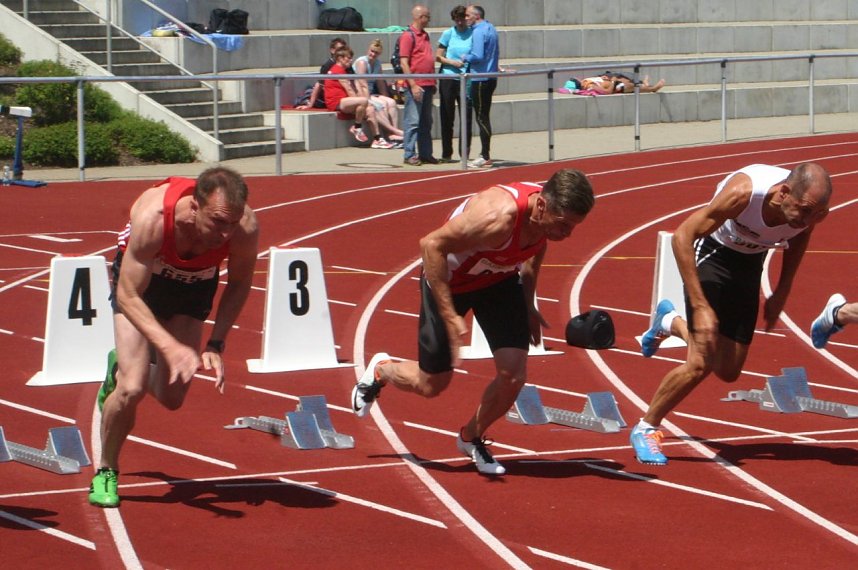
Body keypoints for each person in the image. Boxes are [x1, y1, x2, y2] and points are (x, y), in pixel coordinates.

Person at [351, 169, 595, 475]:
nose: (568, 234)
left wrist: (528, 304)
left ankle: (471, 436)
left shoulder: (545, 218)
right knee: (431, 384)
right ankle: (382, 370)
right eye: (564, 225)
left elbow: (536, 251)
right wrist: (450, 314)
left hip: (498, 281)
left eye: (574, 226)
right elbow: (430, 246)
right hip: (448, 282)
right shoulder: (497, 216)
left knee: (514, 374)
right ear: (542, 206)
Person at [633, 163, 832, 466]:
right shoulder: (743, 194)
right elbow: (682, 237)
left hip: (749, 265)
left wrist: (782, 290)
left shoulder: (808, 209)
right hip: (712, 255)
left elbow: (799, 237)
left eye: (815, 215)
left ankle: (670, 322)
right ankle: (646, 427)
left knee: (728, 370)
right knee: (701, 362)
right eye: (804, 210)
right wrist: (700, 306)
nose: (806, 220)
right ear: (784, 192)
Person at [89, 167, 260, 507]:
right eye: (217, 221)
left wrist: (216, 343)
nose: (225, 233)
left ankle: (122, 365)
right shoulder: (154, 216)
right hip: (142, 288)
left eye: (232, 222)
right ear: (194, 206)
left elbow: (240, 282)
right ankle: (106, 470)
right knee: (132, 387)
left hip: (193, 289)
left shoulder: (243, 227)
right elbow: (127, 296)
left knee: (172, 397)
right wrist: (169, 348)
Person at [324, 46, 394, 148]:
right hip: (336, 103)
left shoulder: (344, 71)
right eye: (348, 58)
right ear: (340, 58)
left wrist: (364, 103)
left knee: (370, 109)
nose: (351, 60)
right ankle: (357, 126)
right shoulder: (337, 70)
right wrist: (362, 101)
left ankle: (377, 139)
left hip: (345, 101)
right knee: (364, 101)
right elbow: (349, 90)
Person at [398, 5, 437, 166]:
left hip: (428, 84)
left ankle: (426, 153)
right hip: (416, 85)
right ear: (419, 17)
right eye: (427, 17)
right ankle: (409, 153)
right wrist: (413, 85)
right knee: (413, 121)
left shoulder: (425, 35)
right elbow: (404, 62)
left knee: (426, 122)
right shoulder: (408, 36)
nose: (429, 20)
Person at [461, 5, 499, 169]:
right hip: (490, 77)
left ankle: (485, 155)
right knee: (484, 115)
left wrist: (465, 56)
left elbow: (478, 55)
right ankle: (485, 153)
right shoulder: (491, 28)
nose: (465, 18)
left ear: (476, 16)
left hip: (480, 78)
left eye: (468, 15)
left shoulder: (478, 31)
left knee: (481, 116)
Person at [436, 5, 473, 163]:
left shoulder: (473, 33)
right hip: (449, 78)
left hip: (466, 79)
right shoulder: (448, 33)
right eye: (456, 19)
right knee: (447, 116)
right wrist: (451, 62)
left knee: (466, 117)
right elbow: (438, 56)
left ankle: (464, 153)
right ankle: (446, 153)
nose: (459, 22)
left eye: (461, 19)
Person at [353, 39, 404, 145]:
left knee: (391, 102)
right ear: (368, 50)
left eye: (376, 52)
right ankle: (392, 132)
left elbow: (380, 83)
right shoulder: (362, 62)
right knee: (381, 104)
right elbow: (362, 84)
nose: (373, 54)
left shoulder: (377, 64)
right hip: (362, 93)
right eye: (372, 51)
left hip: (372, 92)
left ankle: (393, 131)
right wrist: (368, 101)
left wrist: (385, 96)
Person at [295, 37, 348, 110]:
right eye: (339, 49)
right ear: (332, 50)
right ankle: (306, 100)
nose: (342, 52)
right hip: (330, 97)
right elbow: (319, 85)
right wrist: (310, 105)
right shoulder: (327, 66)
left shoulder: (347, 65)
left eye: (344, 49)